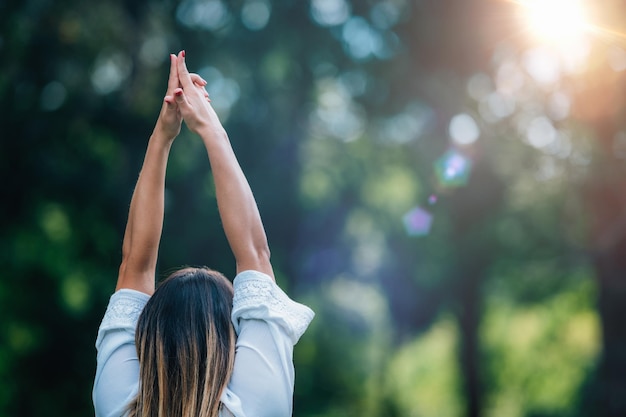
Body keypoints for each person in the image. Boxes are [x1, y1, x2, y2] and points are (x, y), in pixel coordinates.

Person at [92, 51, 314, 417]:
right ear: (230, 341)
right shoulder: (256, 408)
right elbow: (255, 254)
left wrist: (162, 136)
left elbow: (135, 265)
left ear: (148, 336)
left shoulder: (120, 405)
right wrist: (210, 126)